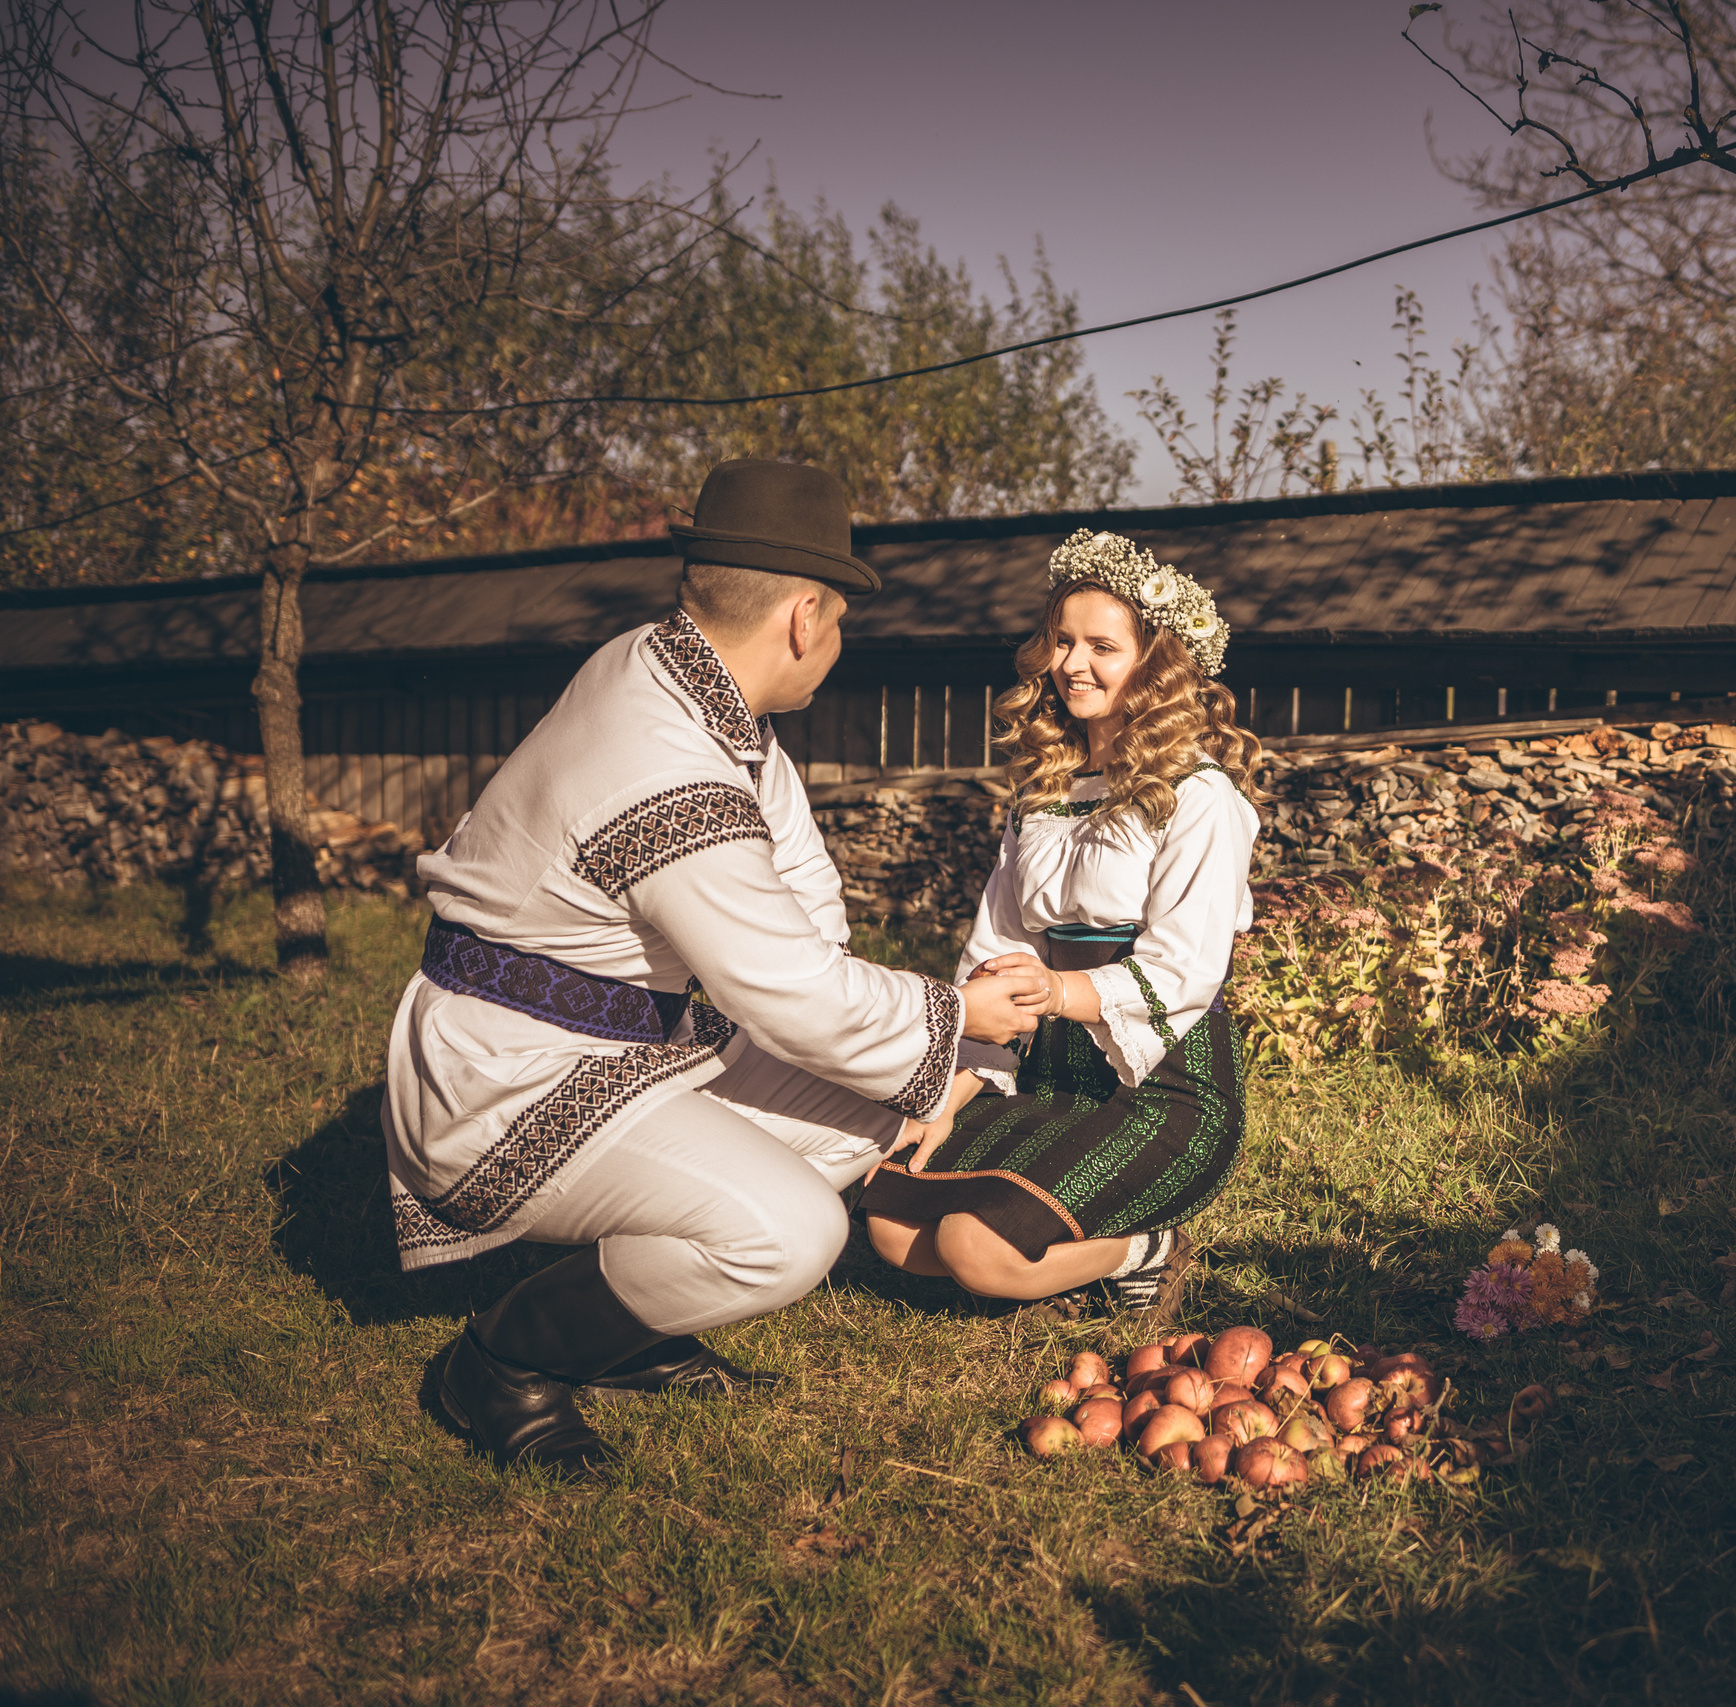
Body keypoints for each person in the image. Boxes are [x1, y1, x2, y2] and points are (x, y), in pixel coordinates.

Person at [383, 458, 1045, 1478]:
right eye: (839, 619)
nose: (836, 642)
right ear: (803, 614)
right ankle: (501, 1360)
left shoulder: (681, 679)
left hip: (615, 1048)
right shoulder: (664, 761)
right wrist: (962, 1017)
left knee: (869, 1113)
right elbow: (784, 990)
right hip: (506, 1075)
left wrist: (906, 1055)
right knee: (787, 1234)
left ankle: (624, 1328)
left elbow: (801, 912)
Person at [857, 528, 1263, 1317]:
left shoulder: (1200, 796)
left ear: (1154, 661)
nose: (1072, 664)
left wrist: (1053, 988)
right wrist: (951, 1090)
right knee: (893, 1231)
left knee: (976, 1248)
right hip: (1050, 1072)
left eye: (1102, 646)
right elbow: (993, 958)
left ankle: (1146, 1248)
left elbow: (1183, 972)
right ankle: (1060, 1232)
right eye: (1061, 641)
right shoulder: (1043, 794)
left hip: (1161, 1083)